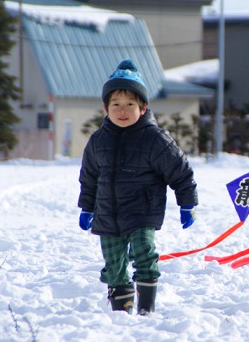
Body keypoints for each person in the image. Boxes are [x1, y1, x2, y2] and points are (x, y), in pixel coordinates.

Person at [77, 58, 198, 315]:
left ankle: (146, 309)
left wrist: (187, 203)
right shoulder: (98, 141)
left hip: (142, 212)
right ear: (105, 108)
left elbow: (181, 172)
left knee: (144, 251)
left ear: (142, 107)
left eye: (130, 104)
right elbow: (89, 178)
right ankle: (121, 309)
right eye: (116, 104)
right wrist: (87, 208)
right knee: (113, 264)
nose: (122, 110)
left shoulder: (154, 139)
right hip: (108, 213)